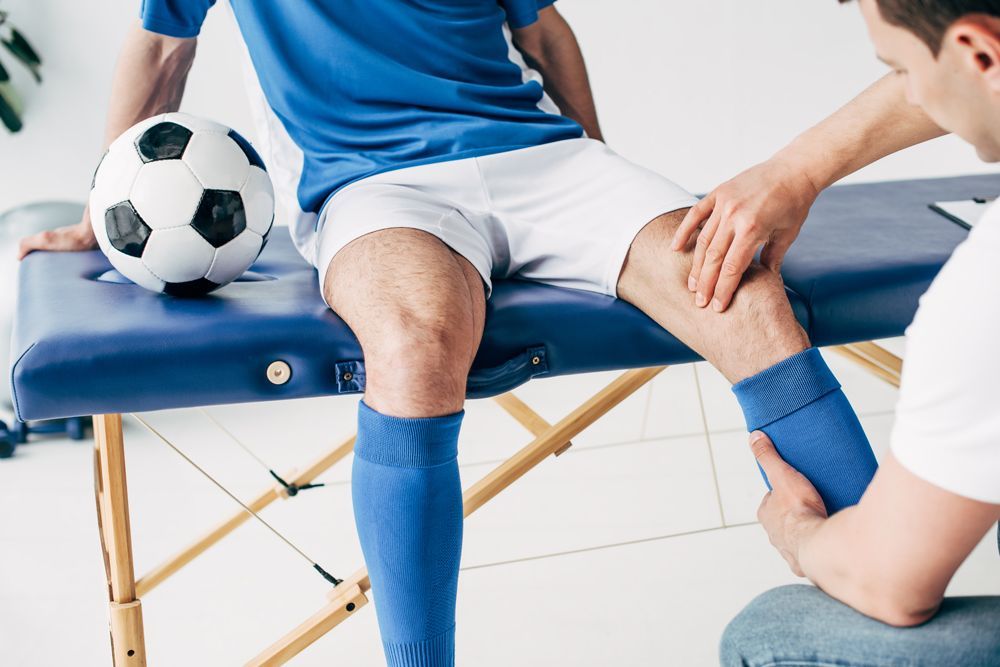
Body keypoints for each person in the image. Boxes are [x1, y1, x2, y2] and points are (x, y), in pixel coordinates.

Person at [19, 2, 880, 665]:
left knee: (743, 290)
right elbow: (163, 47)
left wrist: (600, 168)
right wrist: (105, 211)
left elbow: (544, 33)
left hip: (545, 159)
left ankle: (882, 585)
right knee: (415, 343)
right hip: (374, 182)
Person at [718, 1, 1000, 665]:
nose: (910, 93)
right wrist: (800, 167)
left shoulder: (983, 288)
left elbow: (891, 587)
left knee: (765, 635)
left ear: (981, 54)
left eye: (901, 69)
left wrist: (800, 531)